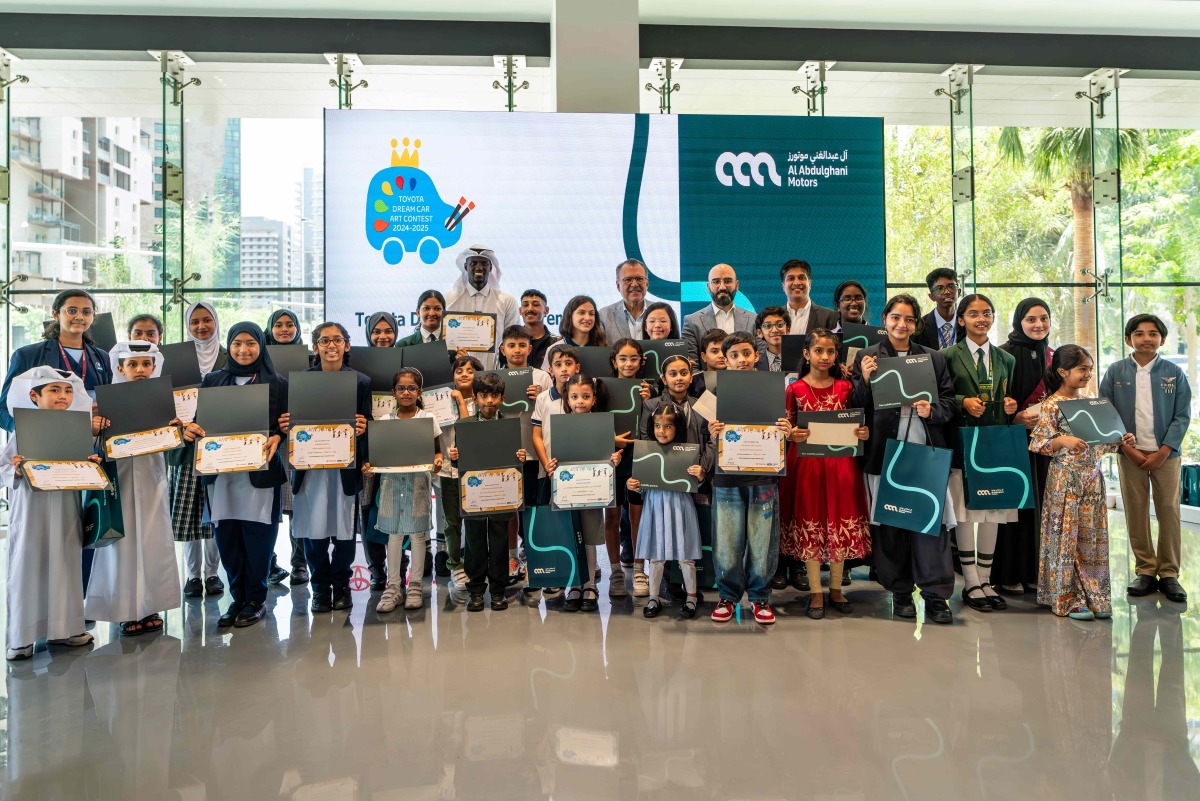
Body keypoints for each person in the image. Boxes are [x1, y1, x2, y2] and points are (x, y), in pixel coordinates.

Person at [851, 294, 958, 626]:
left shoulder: (933, 358)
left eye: (909, 319)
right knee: (892, 526)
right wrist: (866, 382)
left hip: (924, 454)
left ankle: (936, 596)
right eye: (896, 318)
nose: (902, 324)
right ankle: (899, 592)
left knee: (930, 526)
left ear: (916, 324)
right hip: (885, 455)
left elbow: (949, 402)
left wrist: (933, 410)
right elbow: (855, 403)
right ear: (884, 320)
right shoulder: (867, 357)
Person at [173, 322, 289, 628]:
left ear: (261, 347)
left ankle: (256, 600)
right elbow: (201, 423)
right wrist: (191, 430)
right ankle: (237, 599)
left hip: (259, 475)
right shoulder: (213, 380)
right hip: (221, 474)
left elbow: (285, 426)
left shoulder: (276, 382)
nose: (243, 349)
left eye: (251, 343)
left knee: (258, 538)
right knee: (227, 538)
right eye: (237, 343)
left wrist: (279, 436)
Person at [1030, 344, 1136, 619]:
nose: (1088, 374)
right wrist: (1061, 440)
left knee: (1092, 539)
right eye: (1082, 369)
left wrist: (1122, 441)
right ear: (1063, 371)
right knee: (1066, 539)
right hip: (1064, 480)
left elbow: (1103, 443)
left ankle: (1095, 595)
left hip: (1092, 478)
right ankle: (1068, 598)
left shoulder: (1092, 403)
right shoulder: (1051, 405)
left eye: (1090, 369)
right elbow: (1037, 443)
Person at [86, 342, 183, 635]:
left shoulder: (163, 401)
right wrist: (95, 427)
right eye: (133, 364)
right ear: (120, 368)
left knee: (154, 540)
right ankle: (126, 609)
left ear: (154, 366)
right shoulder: (103, 403)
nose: (140, 370)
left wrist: (175, 429)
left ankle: (151, 604)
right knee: (123, 544)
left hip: (152, 476)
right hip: (120, 479)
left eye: (145, 363)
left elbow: (173, 446)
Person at [3, 367, 99, 659]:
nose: (62, 396)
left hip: (66, 506)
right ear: (35, 396)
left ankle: (65, 629)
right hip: (31, 510)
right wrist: (16, 468)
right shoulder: (24, 429)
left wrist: (92, 463)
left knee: (65, 562)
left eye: (68, 391)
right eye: (54, 390)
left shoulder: (77, 428)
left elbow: (86, 468)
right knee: (28, 565)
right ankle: (21, 636)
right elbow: (3, 468)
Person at [279, 322, 371, 614]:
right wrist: (285, 427)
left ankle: (341, 586)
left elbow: (366, 423)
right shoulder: (299, 382)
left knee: (344, 530)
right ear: (315, 346)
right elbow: (290, 423)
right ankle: (319, 587)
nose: (331, 346)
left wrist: (362, 427)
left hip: (345, 467)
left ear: (346, 344)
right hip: (310, 468)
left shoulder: (360, 382)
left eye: (337, 340)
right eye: (324, 341)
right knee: (313, 529)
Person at [1101, 313, 1192, 604]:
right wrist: (1128, 449)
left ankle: (1169, 574)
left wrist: (1164, 450)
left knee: (1168, 510)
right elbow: (1106, 412)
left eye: (1153, 333)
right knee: (1136, 511)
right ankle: (1145, 570)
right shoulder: (1116, 371)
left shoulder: (1173, 373)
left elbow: (1182, 415)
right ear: (1129, 339)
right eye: (1139, 333)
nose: (1146, 338)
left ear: (1162, 339)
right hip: (1130, 454)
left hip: (1167, 455)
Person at [781, 329, 871, 619]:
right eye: (818, 350)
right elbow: (787, 428)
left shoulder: (846, 388)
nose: (824, 357)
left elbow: (857, 423)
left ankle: (836, 587)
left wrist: (861, 432)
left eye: (830, 351)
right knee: (811, 521)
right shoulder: (794, 390)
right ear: (806, 354)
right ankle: (815, 591)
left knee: (837, 521)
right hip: (806, 466)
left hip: (841, 464)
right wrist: (792, 434)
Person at [706, 332, 793, 625]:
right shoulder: (714, 395)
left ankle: (759, 598)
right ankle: (728, 597)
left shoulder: (775, 389)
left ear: (757, 356)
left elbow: (788, 432)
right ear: (724, 360)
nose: (741, 360)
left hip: (764, 477)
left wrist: (786, 431)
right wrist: (713, 433)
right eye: (734, 355)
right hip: (727, 478)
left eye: (746, 354)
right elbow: (705, 440)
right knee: (727, 542)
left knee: (761, 541)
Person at [941, 294, 1019, 612]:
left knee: (993, 514)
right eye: (973, 314)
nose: (981, 319)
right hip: (961, 443)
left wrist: (1012, 406)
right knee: (964, 513)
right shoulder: (946, 355)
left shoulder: (1006, 360)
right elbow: (941, 396)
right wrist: (963, 402)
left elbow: (1006, 398)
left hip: (995, 444)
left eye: (986, 313)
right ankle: (971, 581)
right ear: (961, 320)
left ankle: (986, 579)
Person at [447, 371, 528, 612]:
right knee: (474, 542)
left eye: (494, 396)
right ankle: (476, 590)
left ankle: (498, 591)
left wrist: (520, 458)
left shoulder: (509, 426)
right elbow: (460, 463)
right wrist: (454, 458)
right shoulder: (464, 425)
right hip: (473, 496)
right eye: (484, 396)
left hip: (501, 494)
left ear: (502, 398)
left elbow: (515, 462)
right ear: (475, 397)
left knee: (499, 540)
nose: (489, 401)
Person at [366, 367, 443, 613]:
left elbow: (437, 450)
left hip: (418, 485)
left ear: (419, 391)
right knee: (394, 535)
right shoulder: (385, 422)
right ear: (393, 392)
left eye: (412, 388)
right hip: (390, 486)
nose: (406, 392)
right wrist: (369, 467)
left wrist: (439, 460)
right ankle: (393, 587)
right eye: (401, 388)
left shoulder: (428, 419)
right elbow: (376, 457)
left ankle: (416, 585)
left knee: (418, 535)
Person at [547, 373, 623, 613]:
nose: (580, 401)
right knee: (571, 537)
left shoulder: (600, 424)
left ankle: (590, 584)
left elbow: (607, 455)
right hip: (567, 490)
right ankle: (575, 585)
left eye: (586, 396)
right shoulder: (559, 424)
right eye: (575, 396)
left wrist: (614, 458)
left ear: (594, 398)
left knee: (589, 538)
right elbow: (555, 457)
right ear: (567, 399)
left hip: (591, 491)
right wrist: (550, 466)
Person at [627, 402, 711, 620]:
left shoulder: (687, 452)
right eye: (657, 426)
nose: (661, 431)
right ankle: (653, 597)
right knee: (656, 556)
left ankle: (691, 598)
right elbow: (644, 485)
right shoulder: (647, 453)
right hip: (655, 507)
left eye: (667, 427)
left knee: (686, 557)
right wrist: (634, 484)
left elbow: (697, 484)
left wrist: (700, 475)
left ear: (678, 428)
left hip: (680, 507)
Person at [993, 298, 1054, 595]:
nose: (1038, 324)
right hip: (1013, 441)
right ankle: (1008, 573)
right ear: (1019, 322)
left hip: (1046, 444)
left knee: (1041, 507)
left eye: (1044, 318)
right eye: (1031, 319)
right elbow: (995, 398)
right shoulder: (1004, 355)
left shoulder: (1054, 356)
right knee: (1014, 507)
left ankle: (1034, 572)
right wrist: (1013, 417)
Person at [173, 301, 227, 601]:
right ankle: (193, 575)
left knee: (215, 512)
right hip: (186, 446)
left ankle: (212, 573)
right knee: (189, 515)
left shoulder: (227, 356)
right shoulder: (177, 359)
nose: (201, 326)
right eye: (195, 322)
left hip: (219, 445)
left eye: (207, 320)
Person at [0, 288, 113, 432]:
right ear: (55, 314)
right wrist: (24, 432)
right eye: (72, 311)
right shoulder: (27, 355)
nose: (80, 317)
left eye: (86, 312)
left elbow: (110, 403)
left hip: (93, 443)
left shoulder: (102, 357)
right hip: (46, 439)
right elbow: (3, 410)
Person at [497, 324, 552, 586]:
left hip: (533, 454)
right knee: (510, 509)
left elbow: (554, 409)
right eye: (511, 345)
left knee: (531, 508)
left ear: (530, 349)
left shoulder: (542, 377)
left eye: (522, 345)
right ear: (502, 349)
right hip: (506, 453)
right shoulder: (495, 377)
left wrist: (540, 397)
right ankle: (511, 558)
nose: (517, 350)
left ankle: (531, 555)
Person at [530, 346, 582, 603]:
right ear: (550, 370)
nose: (564, 368)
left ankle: (583, 575)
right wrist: (545, 462)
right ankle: (557, 575)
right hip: (549, 472)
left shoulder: (583, 395)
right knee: (553, 525)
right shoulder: (543, 399)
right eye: (558, 364)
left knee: (579, 525)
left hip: (580, 474)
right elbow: (537, 435)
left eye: (568, 363)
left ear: (577, 368)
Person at [604, 338, 653, 598]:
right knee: (612, 516)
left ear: (641, 361)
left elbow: (658, 424)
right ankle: (615, 571)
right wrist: (611, 440)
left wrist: (649, 401)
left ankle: (638, 569)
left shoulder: (650, 389)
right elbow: (591, 422)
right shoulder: (602, 388)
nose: (628, 363)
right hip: (612, 459)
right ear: (614, 361)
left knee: (638, 516)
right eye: (623, 358)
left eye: (634, 358)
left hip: (640, 457)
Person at [265, 307, 309, 585]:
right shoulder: (258, 361)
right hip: (270, 438)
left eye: (289, 324)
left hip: (300, 440)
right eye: (278, 324)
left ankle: (299, 562)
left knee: (296, 503)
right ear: (270, 329)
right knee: (267, 504)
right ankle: (269, 563)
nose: (284, 329)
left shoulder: (310, 359)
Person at [359, 311, 403, 592]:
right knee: (368, 508)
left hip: (399, 442)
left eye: (388, 331)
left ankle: (401, 564)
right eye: (377, 331)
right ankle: (376, 569)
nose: (383, 336)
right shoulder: (357, 364)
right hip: (366, 446)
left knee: (401, 504)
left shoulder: (404, 360)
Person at [436, 355, 481, 591]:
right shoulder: (441, 401)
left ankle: (475, 564)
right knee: (451, 521)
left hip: (474, 472)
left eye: (470, 370)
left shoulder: (483, 401)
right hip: (447, 471)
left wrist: (462, 403)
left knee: (473, 521)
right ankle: (455, 565)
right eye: (459, 370)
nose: (464, 374)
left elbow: (470, 430)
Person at [444, 245, 520, 370]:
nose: (479, 267)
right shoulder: (449, 300)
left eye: (484, 263)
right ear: (465, 267)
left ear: (491, 267)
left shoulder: (506, 301)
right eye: (473, 263)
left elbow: (513, 341)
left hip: (495, 377)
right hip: (458, 377)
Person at [681, 264, 756, 364]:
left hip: (745, 379)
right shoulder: (691, 322)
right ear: (708, 287)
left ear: (737, 285)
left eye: (728, 281)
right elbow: (692, 366)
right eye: (716, 282)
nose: (722, 287)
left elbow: (759, 360)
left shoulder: (754, 320)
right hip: (707, 379)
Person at [541, 295, 608, 370]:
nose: (587, 318)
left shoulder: (602, 349)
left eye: (591, 314)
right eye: (582, 313)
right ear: (570, 316)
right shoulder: (553, 349)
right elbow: (546, 380)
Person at [780, 259, 839, 336]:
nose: (797, 283)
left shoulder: (830, 317)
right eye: (791, 278)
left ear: (810, 284)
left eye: (801, 278)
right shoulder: (772, 317)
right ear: (783, 286)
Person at [598, 259, 650, 342]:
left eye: (639, 279)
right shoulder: (604, 315)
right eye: (628, 280)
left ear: (647, 284)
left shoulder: (663, 313)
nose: (634, 284)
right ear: (618, 286)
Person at [913, 268, 961, 350]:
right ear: (931, 297)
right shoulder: (919, 327)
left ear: (959, 292)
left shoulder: (968, 324)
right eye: (939, 288)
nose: (947, 292)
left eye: (951, 286)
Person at [517, 289, 560, 369]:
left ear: (546, 310)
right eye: (525, 305)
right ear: (520, 310)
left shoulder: (557, 343)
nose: (530, 309)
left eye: (536, 305)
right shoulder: (510, 344)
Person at [689, 328, 727, 397]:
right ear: (704, 356)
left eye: (724, 351)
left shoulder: (737, 378)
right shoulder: (693, 381)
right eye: (715, 351)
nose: (721, 356)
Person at [754, 306, 792, 373]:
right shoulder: (754, 365)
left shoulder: (801, 362)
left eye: (779, 325)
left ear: (788, 329)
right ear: (759, 332)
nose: (774, 330)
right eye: (768, 326)